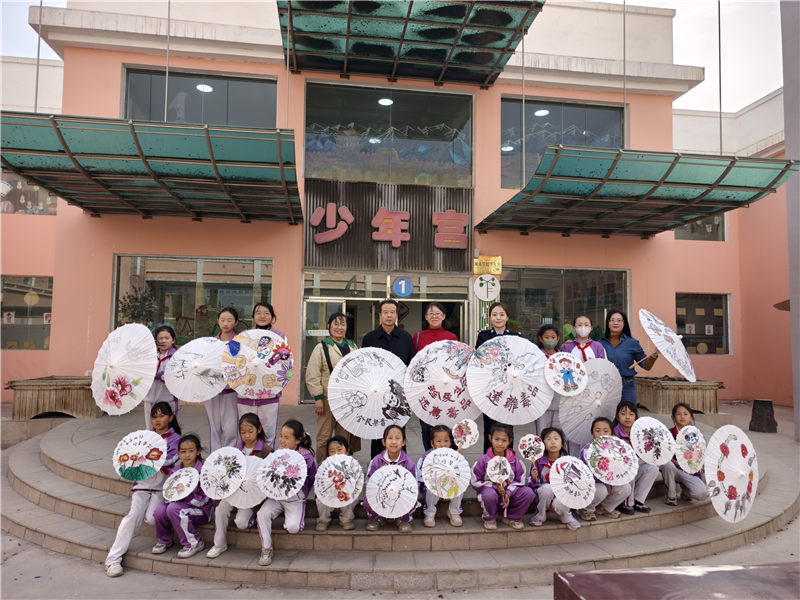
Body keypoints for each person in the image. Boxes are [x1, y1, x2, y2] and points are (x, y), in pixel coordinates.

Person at [105, 402, 181, 577]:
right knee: (133, 516)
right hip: (142, 486)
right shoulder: (145, 437)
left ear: (171, 417)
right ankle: (113, 560)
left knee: (152, 519)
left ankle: (166, 538)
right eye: (154, 417)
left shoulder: (175, 438)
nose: (157, 420)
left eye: (162, 416)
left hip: (161, 488)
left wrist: (149, 459)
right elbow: (133, 461)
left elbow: (171, 461)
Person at [207, 413, 273, 559]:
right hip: (233, 491)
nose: (247, 436)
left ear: (259, 430)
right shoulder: (234, 452)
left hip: (252, 496)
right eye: (243, 432)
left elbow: (268, 478)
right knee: (221, 508)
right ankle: (219, 543)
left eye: (250, 431)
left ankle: (251, 516)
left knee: (241, 523)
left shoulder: (266, 451)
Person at [256, 419, 316, 567]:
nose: (282, 440)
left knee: (293, 528)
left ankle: (295, 513)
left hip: (294, 500)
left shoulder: (307, 458)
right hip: (276, 498)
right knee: (262, 513)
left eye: (287, 437)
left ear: (298, 440)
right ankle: (266, 548)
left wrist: (301, 494)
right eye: (281, 436)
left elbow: (312, 477)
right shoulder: (277, 454)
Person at [362, 299, 414, 459]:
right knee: (377, 432)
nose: (389, 315)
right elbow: (365, 367)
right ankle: (376, 465)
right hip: (376, 393)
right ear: (379, 315)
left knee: (398, 431)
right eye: (386, 312)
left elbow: (409, 366)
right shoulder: (369, 339)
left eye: (392, 312)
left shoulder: (406, 338)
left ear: (397, 314)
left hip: (399, 394)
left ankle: (401, 464)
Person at [306, 312, 361, 465]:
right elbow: (312, 374)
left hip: (348, 400)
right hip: (327, 399)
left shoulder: (352, 346)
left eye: (343, 324)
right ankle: (323, 468)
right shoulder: (321, 347)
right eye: (336, 324)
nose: (339, 327)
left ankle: (341, 467)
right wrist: (318, 398)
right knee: (324, 436)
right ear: (329, 326)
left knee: (344, 437)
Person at [152, 434, 212, 559]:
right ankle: (165, 539)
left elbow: (206, 498)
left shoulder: (204, 471)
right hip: (178, 506)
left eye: (191, 451)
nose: (187, 455)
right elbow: (169, 492)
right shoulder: (174, 471)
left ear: (198, 451)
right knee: (160, 510)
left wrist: (187, 497)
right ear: (178, 453)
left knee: (174, 509)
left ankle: (194, 542)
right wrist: (174, 496)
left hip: (200, 511)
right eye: (183, 451)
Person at [236, 302, 285, 448]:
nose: (262, 316)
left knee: (268, 433)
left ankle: (267, 458)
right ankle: (248, 458)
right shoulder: (244, 336)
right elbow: (235, 360)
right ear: (253, 316)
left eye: (266, 313)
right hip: (246, 391)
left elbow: (283, 363)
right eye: (258, 313)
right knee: (247, 432)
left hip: (269, 392)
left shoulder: (280, 337)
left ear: (272, 317)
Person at [475, 302, 522, 454]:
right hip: (491, 388)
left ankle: (509, 460)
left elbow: (520, 360)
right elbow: (478, 361)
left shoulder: (515, 337)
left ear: (507, 317)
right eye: (494, 314)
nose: (498, 318)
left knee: (508, 426)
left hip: (510, 388)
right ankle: (487, 460)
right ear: (490, 317)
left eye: (502, 314)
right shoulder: (483, 336)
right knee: (489, 427)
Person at [471, 423, 535, 531]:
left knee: (529, 492)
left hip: (510, 497)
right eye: (496, 439)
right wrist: (495, 487)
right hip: (491, 497)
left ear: (510, 441)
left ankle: (512, 517)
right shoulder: (483, 460)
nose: (500, 443)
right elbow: (475, 481)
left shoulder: (515, 461)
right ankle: (490, 518)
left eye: (504, 440)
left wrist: (508, 492)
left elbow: (520, 480)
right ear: (490, 438)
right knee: (489, 495)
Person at [413, 303, 458, 452]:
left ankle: (449, 457)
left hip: (447, 389)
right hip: (425, 390)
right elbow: (413, 365)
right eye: (430, 314)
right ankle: (429, 457)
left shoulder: (451, 337)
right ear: (426, 317)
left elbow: (456, 363)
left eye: (438, 313)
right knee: (426, 427)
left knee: (448, 425)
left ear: (443, 316)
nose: (434, 316)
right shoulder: (417, 337)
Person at [363, 424, 418, 533]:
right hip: (381, 493)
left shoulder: (408, 462)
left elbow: (413, 484)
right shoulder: (376, 460)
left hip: (401, 494)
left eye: (397, 438)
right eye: (390, 438)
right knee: (369, 500)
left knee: (411, 499)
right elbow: (369, 481)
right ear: (383, 442)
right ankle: (377, 518)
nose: (393, 442)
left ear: (403, 442)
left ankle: (402, 519)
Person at [577, 417, 632, 521]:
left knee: (626, 488)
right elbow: (596, 473)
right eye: (597, 431)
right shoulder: (587, 451)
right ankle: (585, 509)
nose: (601, 434)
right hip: (591, 485)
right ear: (592, 434)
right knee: (602, 490)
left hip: (607, 483)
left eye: (606, 431)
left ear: (612, 434)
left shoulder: (617, 450)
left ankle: (604, 508)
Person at [599, 310, 659, 405]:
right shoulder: (599, 344)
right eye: (612, 320)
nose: (615, 323)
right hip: (604, 385)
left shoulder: (632, 343)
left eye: (619, 320)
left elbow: (646, 366)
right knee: (606, 414)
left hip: (627, 385)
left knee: (627, 413)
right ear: (607, 323)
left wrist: (654, 355)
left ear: (624, 323)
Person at [528, 427, 581, 531]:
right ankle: (540, 516)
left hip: (562, 496)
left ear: (562, 443)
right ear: (542, 444)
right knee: (546, 488)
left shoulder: (569, 461)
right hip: (543, 498)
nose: (552, 442)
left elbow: (574, 485)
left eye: (556, 438)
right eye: (548, 439)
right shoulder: (537, 462)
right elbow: (531, 486)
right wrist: (535, 478)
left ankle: (566, 517)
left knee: (562, 498)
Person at [613, 401, 657, 514]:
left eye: (631, 414)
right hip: (618, 474)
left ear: (636, 417)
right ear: (617, 416)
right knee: (630, 466)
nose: (627, 417)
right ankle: (626, 504)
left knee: (652, 468)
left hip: (632, 471)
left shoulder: (639, 434)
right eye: (623, 414)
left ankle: (638, 500)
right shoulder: (614, 434)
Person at [206, 308, 240, 451]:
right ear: (218, 321)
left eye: (230, 320)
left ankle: (230, 456)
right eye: (222, 320)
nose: (225, 323)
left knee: (231, 428)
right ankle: (214, 458)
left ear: (236, 322)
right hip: (212, 391)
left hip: (231, 391)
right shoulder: (209, 343)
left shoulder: (240, 342)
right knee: (213, 428)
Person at [661, 403, 709, 505]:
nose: (682, 417)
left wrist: (701, 464)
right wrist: (676, 462)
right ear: (673, 417)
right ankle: (671, 495)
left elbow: (700, 455)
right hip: (674, 469)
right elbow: (663, 455)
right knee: (667, 464)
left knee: (702, 494)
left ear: (691, 418)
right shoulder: (668, 434)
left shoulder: (697, 436)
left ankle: (686, 492)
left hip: (691, 472)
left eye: (686, 414)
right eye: (678, 414)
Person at [415, 425, 463, 527]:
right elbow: (420, 477)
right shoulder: (426, 457)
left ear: (451, 442)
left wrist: (457, 462)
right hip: (432, 486)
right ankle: (430, 513)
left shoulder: (455, 455)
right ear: (432, 443)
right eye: (438, 441)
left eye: (446, 441)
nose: (443, 444)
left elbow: (462, 474)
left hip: (450, 485)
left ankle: (454, 512)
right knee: (430, 487)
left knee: (460, 484)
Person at [315, 436, 358, 532]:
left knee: (352, 496)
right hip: (330, 493)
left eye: (339, 450)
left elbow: (357, 483)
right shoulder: (325, 467)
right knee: (321, 499)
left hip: (345, 493)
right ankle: (323, 520)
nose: (336, 454)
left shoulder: (353, 465)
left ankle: (346, 519)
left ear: (347, 451)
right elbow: (320, 484)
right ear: (328, 454)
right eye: (332, 451)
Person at [142, 326, 179, 429]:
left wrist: (160, 375)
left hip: (168, 397)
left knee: (169, 428)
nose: (163, 341)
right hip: (149, 397)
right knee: (150, 429)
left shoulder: (177, 356)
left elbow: (177, 374)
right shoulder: (149, 356)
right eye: (160, 338)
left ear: (173, 340)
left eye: (167, 338)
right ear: (155, 340)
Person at [534, 324, 561, 435]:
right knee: (542, 431)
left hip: (559, 399)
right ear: (540, 339)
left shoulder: (563, 356)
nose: (550, 340)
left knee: (558, 433)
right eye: (546, 337)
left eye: (553, 337)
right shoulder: (536, 356)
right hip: (541, 399)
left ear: (558, 338)